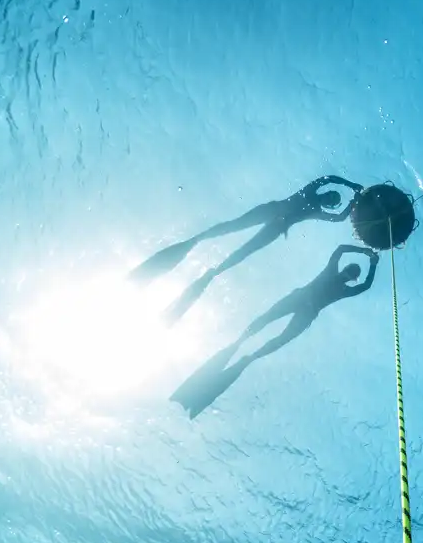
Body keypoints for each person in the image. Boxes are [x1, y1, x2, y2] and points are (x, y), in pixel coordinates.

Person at [171, 244, 379, 418]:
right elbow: (348, 260)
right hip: (302, 305)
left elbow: (355, 269)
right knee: (263, 326)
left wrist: (368, 258)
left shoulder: (337, 280)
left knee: (268, 334)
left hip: (302, 306)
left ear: (349, 276)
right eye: (350, 272)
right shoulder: (336, 279)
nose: (348, 275)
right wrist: (370, 259)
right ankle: (241, 353)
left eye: (350, 273)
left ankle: (243, 356)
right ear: (350, 275)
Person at [128, 175, 364, 322]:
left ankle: (206, 277)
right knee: (229, 228)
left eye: (333, 201)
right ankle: (188, 247)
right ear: (326, 195)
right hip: (271, 211)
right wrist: (350, 185)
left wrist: (354, 201)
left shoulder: (316, 209)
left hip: (275, 226)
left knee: (242, 252)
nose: (330, 201)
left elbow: (339, 217)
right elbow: (328, 178)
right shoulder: (310, 191)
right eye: (331, 197)